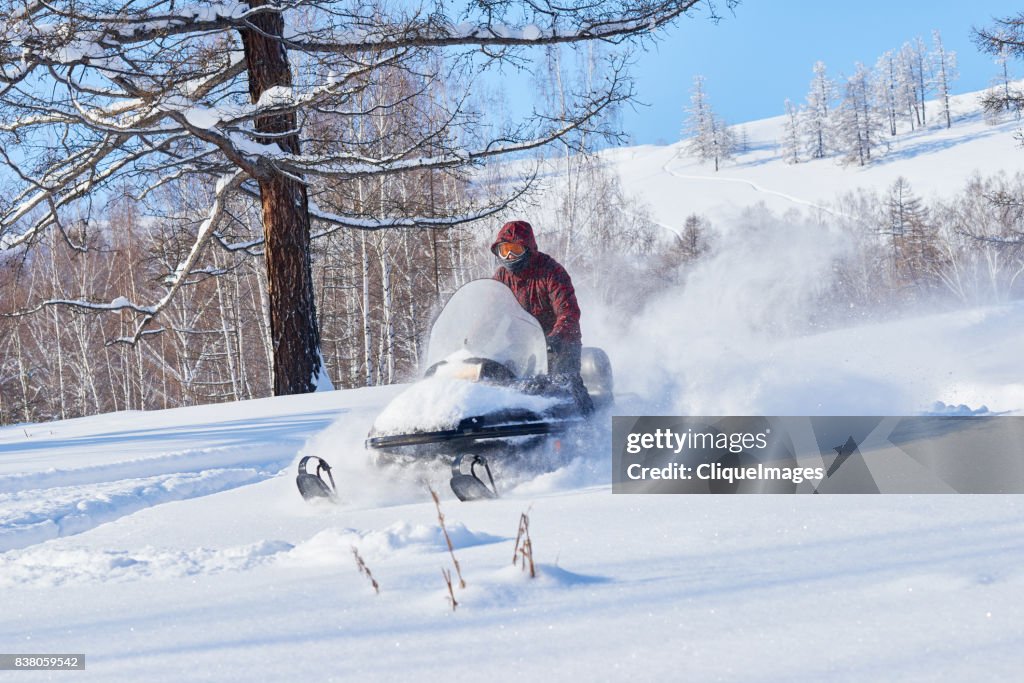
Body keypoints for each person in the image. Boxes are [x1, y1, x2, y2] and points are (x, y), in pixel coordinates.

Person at [490, 220, 593, 413]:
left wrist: (557, 337)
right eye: (504, 251)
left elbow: (568, 311)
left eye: (515, 250)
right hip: (521, 345)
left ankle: (588, 425)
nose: (510, 256)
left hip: (561, 343)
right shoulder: (502, 277)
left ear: (528, 248)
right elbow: (490, 312)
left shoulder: (551, 272)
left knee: (563, 384)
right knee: (499, 382)